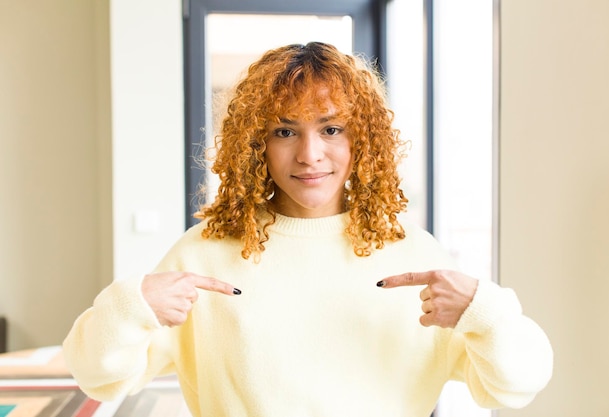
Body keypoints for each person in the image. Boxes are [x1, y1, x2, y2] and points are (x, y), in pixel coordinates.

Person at [63, 42, 553, 417]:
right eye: (284, 131)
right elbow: (99, 379)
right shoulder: (202, 255)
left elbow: (515, 387)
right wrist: (131, 306)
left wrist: (485, 313)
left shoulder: (413, 256)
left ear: (364, 140)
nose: (309, 154)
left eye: (331, 129)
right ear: (256, 143)